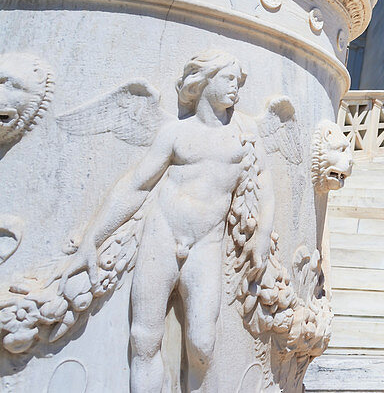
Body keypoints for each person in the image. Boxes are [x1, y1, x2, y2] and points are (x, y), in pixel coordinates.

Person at [60, 51, 274, 393]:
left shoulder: (244, 134)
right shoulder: (176, 132)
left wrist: (262, 234)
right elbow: (135, 185)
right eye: (228, 79)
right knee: (144, 338)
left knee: (203, 345)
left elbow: (264, 187)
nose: (236, 88)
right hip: (161, 236)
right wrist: (92, 239)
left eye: (239, 81)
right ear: (203, 81)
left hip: (206, 245)